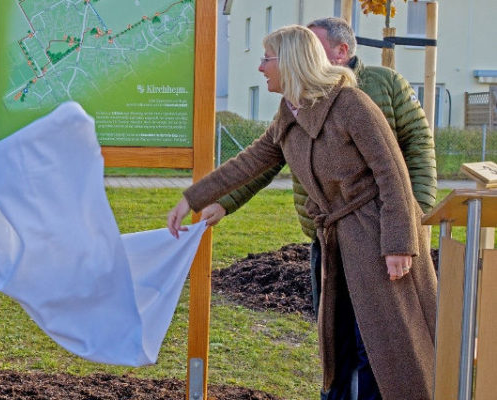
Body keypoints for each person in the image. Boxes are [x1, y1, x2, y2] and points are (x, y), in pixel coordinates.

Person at [167, 25, 437, 399]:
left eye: (267, 59)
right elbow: (250, 163)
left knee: (379, 348)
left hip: (376, 241)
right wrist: (192, 198)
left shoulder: (352, 105)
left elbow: (393, 174)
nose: (261, 68)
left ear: (291, 62)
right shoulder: (290, 114)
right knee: (338, 342)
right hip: (334, 243)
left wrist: (399, 243)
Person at [201, 17, 436, 316]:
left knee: (379, 330)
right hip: (325, 235)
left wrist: (411, 222)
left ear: (341, 51)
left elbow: (418, 149)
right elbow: (266, 158)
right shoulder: (297, 100)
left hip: (377, 230)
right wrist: (223, 202)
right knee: (334, 331)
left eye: (312, 45)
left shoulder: (383, 86)